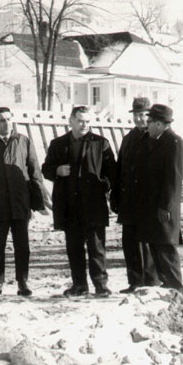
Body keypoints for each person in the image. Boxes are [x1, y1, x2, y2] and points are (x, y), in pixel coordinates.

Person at [42, 106, 116, 297]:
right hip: (69, 205)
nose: (84, 125)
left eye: (88, 121)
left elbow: (112, 172)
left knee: (96, 247)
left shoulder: (101, 143)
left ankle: (101, 285)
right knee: (74, 247)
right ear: (71, 121)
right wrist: (57, 170)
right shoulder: (58, 144)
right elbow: (46, 168)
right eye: (81, 120)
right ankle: (79, 285)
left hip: (93, 204)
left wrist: (103, 185)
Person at [0, 107, 49, 297]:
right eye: (2, 120)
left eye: (9, 119)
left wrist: (37, 202)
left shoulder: (23, 141)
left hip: (20, 201)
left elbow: (34, 170)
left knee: (22, 245)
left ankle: (23, 282)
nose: (7, 123)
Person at [111, 97, 159, 294]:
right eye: (137, 115)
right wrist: (115, 197)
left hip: (148, 201)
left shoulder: (156, 138)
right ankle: (135, 281)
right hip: (129, 201)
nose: (140, 119)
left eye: (144, 115)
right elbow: (119, 170)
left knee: (148, 243)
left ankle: (152, 281)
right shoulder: (128, 139)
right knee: (130, 242)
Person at [138, 104, 183, 290]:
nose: (146, 125)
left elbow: (174, 178)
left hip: (164, 208)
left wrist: (165, 206)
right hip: (154, 206)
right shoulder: (157, 141)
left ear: (159, 124)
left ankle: (175, 287)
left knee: (166, 248)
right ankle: (168, 287)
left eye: (149, 122)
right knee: (156, 246)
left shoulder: (174, 142)